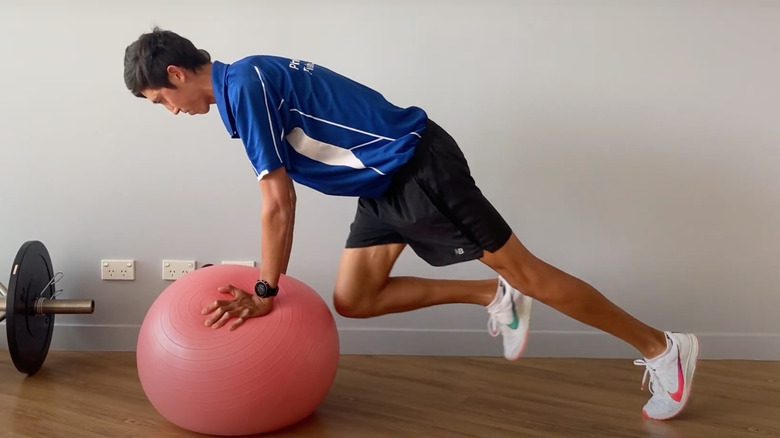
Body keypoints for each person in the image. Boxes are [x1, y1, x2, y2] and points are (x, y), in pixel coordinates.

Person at [123, 27, 699, 421]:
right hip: (384, 185)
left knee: (528, 271)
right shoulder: (245, 81)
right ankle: (490, 295)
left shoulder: (243, 87)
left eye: (159, 101)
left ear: (176, 73)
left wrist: (266, 290)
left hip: (416, 167)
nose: (171, 112)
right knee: (355, 296)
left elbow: (278, 200)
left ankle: (662, 348)